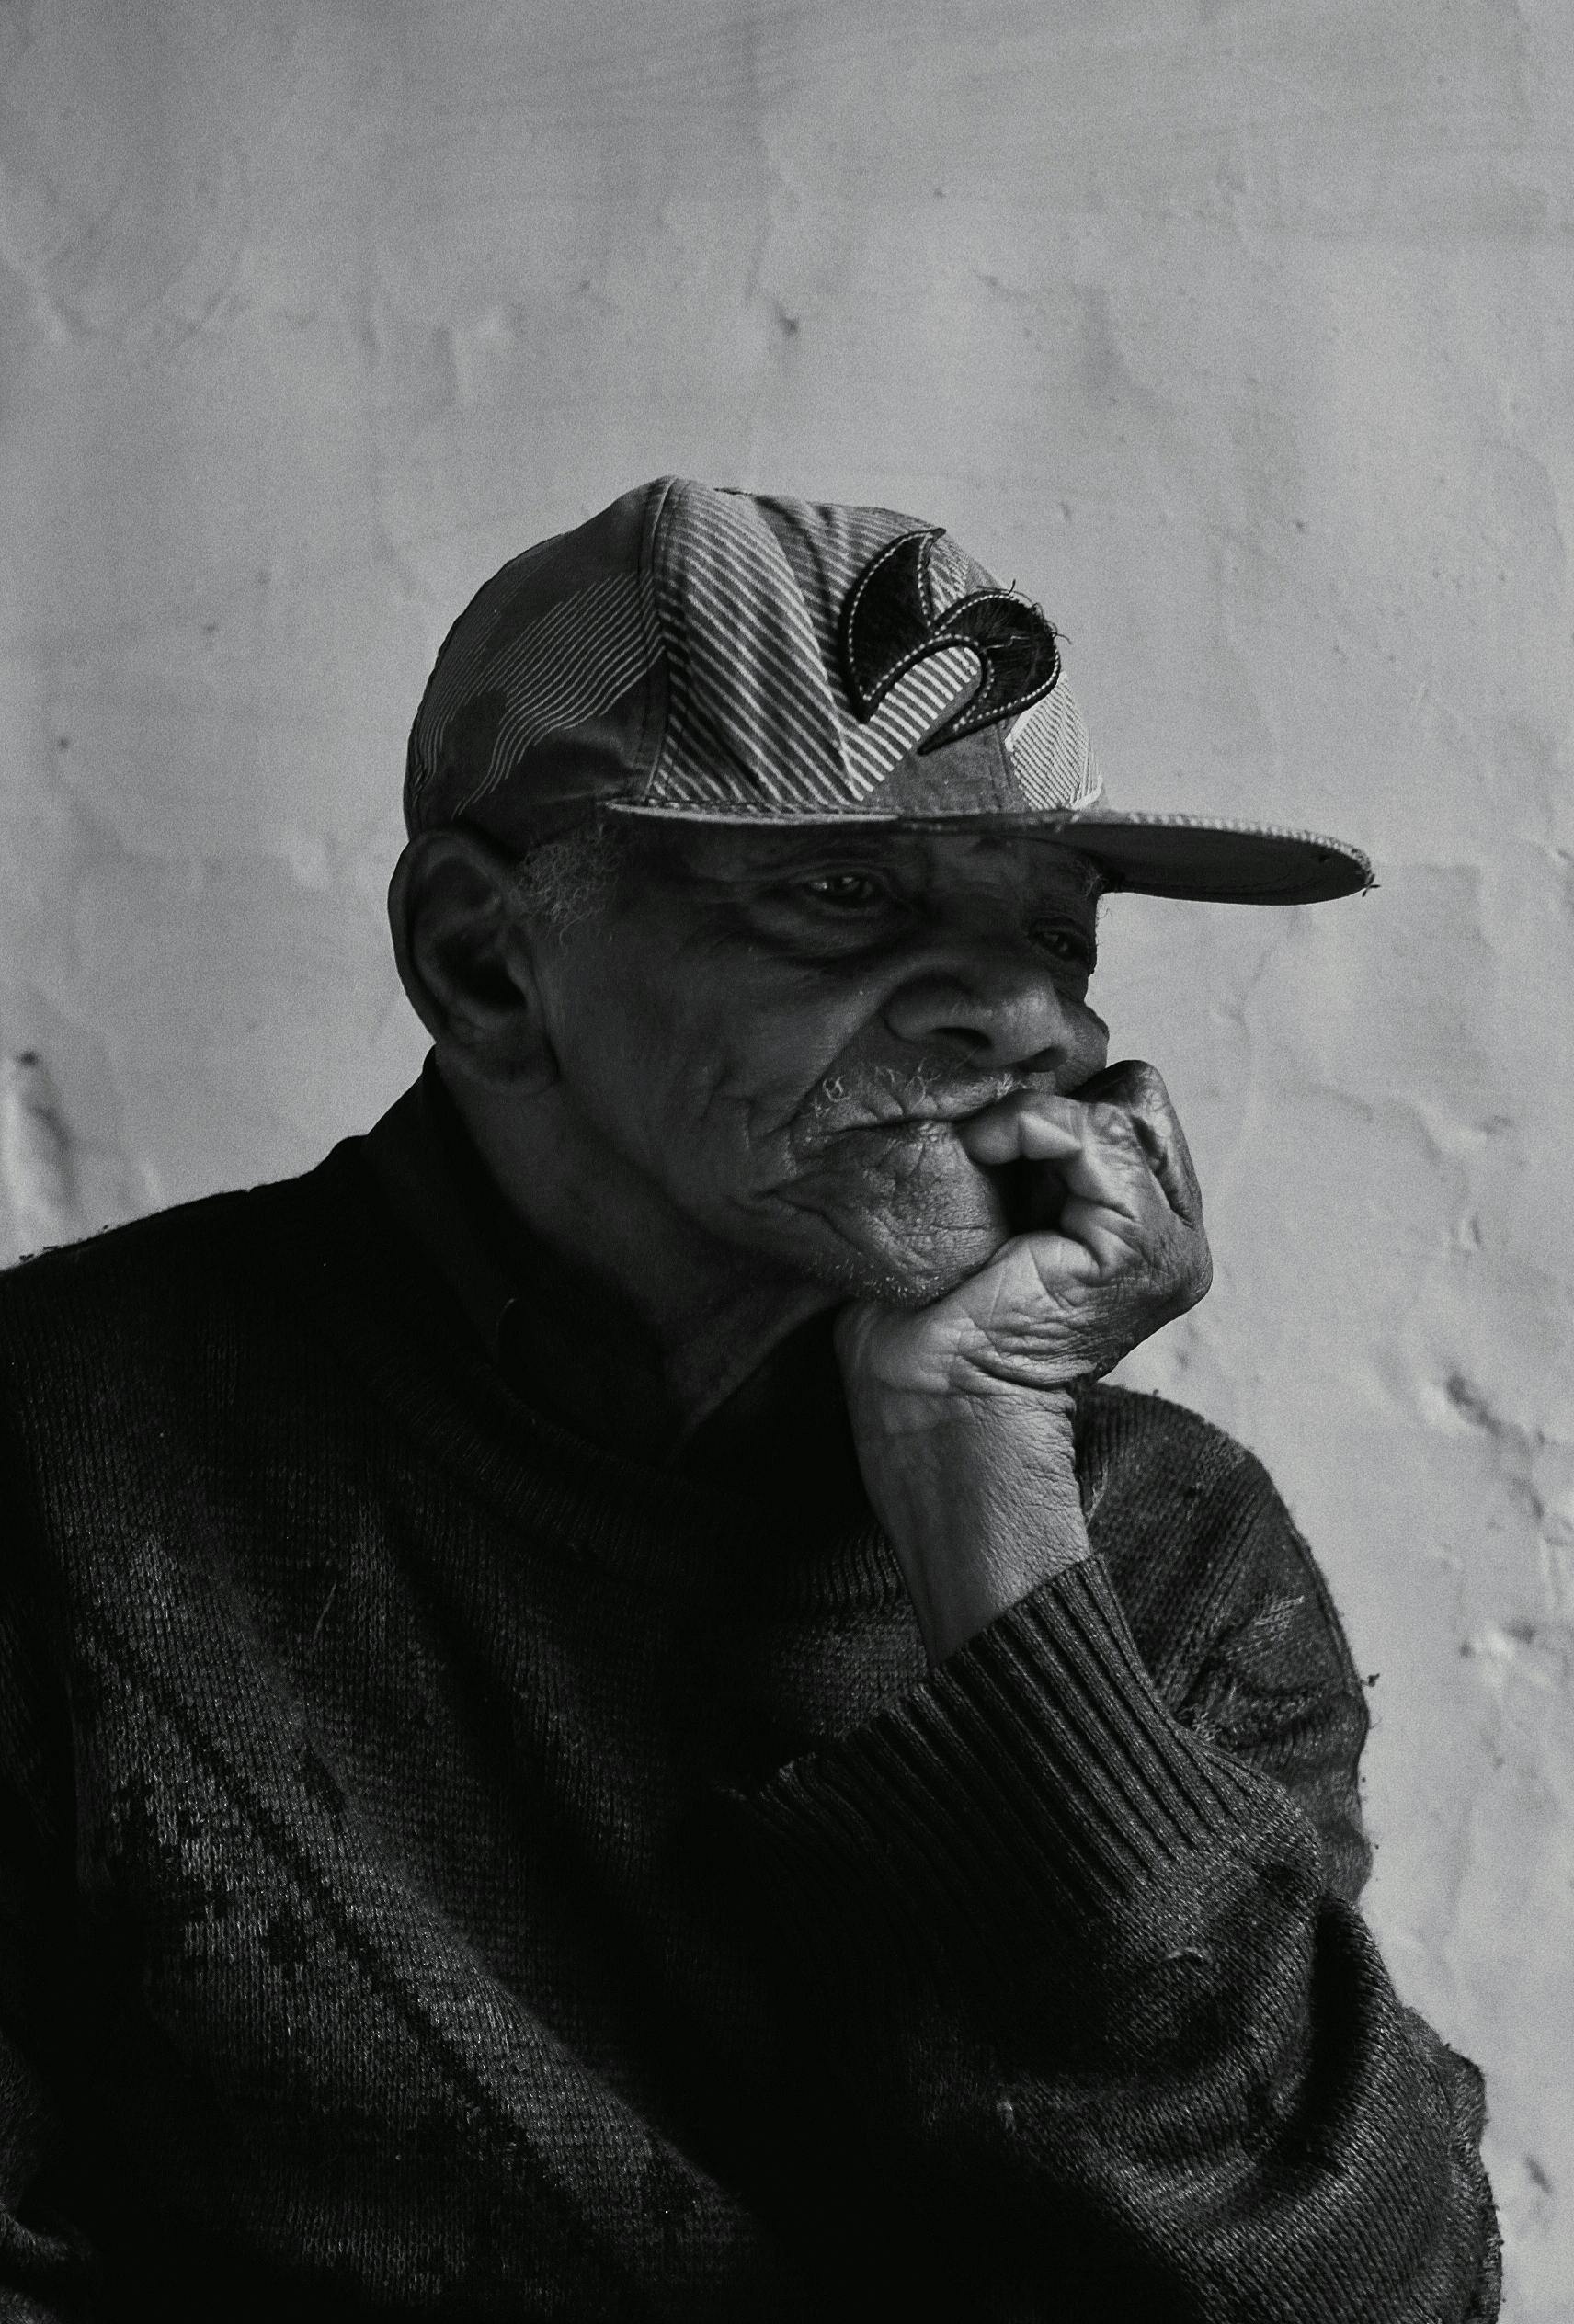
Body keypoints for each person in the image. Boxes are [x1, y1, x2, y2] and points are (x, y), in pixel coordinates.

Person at [0, 477, 1500, 2320]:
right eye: (844, 891)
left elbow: (1364, 2297)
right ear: (483, 959)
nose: (1025, 1023)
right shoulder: (60, 1458)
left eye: (1057, 934)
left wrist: (992, 1518)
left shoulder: (1166, 1547)